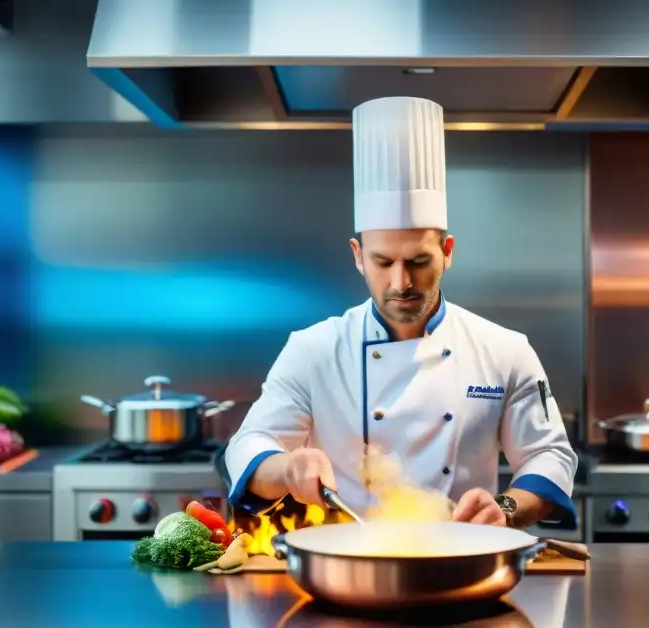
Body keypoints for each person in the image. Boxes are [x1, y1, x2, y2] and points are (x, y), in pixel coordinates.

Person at [225, 96, 577, 528]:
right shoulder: (313, 350)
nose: (401, 283)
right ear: (357, 256)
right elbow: (248, 445)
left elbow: (550, 455)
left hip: (462, 560)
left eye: (418, 261)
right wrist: (287, 470)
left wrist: (504, 509)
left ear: (447, 253)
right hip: (344, 565)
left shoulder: (504, 350)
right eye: (383, 262)